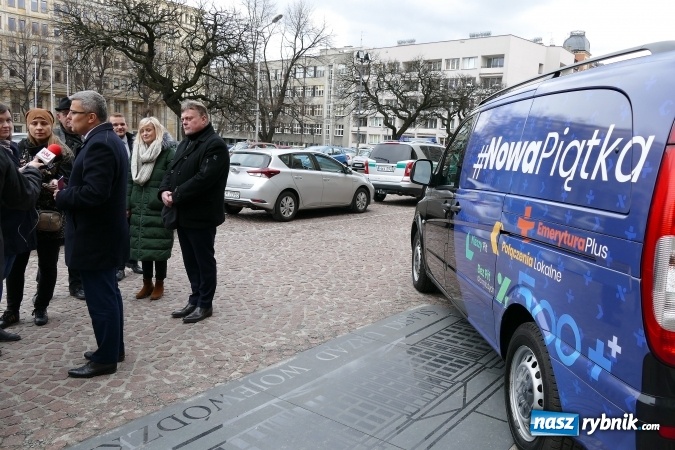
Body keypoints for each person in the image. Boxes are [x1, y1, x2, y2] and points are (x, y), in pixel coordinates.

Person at [55, 90, 128, 378]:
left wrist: (62, 195)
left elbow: (95, 193)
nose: (68, 117)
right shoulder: (104, 139)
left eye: (73, 112)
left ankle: (105, 358)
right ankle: (113, 348)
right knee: (108, 294)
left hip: (96, 237)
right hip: (102, 235)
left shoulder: (100, 143)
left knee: (101, 299)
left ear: (91, 116)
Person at [159, 100, 229, 323]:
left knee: (203, 261)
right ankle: (194, 298)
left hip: (202, 215)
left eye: (189, 118)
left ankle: (205, 304)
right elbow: (171, 171)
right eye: (183, 119)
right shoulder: (185, 143)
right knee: (190, 261)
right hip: (183, 214)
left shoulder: (214, 145)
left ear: (204, 119)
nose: (185, 122)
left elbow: (204, 179)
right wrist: (164, 191)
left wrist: (176, 195)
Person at [2, 109, 73, 328]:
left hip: (50, 217)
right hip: (22, 217)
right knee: (17, 266)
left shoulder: (63, 151)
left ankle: (41, 306)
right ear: (28, 126)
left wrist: (58, 185)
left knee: (47, 265)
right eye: (34, 124)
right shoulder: (17, 148)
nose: (39, 128)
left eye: (44, 123)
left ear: (51, 125)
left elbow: (71, 181)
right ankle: (12, 310)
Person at [0, 103, 42, 345]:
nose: (6, 125)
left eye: (8, 120)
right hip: (6, 223)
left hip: (15, 226)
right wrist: (32, 172)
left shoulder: (11, 148)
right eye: (0, 122)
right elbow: (20, 193)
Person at [127, 117, 176, 301]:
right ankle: (147, 283)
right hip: (138, 207)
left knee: (159, 247)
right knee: (143, 247)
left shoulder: (168, 152)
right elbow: (129, 180)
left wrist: (163, 198)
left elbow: (172, 179)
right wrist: (127, 204)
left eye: (149, 130)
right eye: (142, 130)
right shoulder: (136, 152)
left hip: (157, 207)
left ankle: (160, 283)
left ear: (157, 131)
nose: (145, 133)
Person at [53, 97, 86, 300]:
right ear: (59, 116)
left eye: (71, 113)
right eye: (65, 114)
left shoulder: (83, 137)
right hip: (55, 198)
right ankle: (43, 285)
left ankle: (76, 283)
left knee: (75, 243)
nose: (69, 117)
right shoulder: (54, 139)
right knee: (50, 248)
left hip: (75, 196)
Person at [110, 113, 141, 280]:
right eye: (115, 125)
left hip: (134, 191)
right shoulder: (107, 142)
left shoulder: (135, 142)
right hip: (116, 194)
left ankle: (133, 261)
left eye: (122, 124)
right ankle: (119, 266)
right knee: (120, 233)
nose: (119, 127)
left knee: (133, 230)